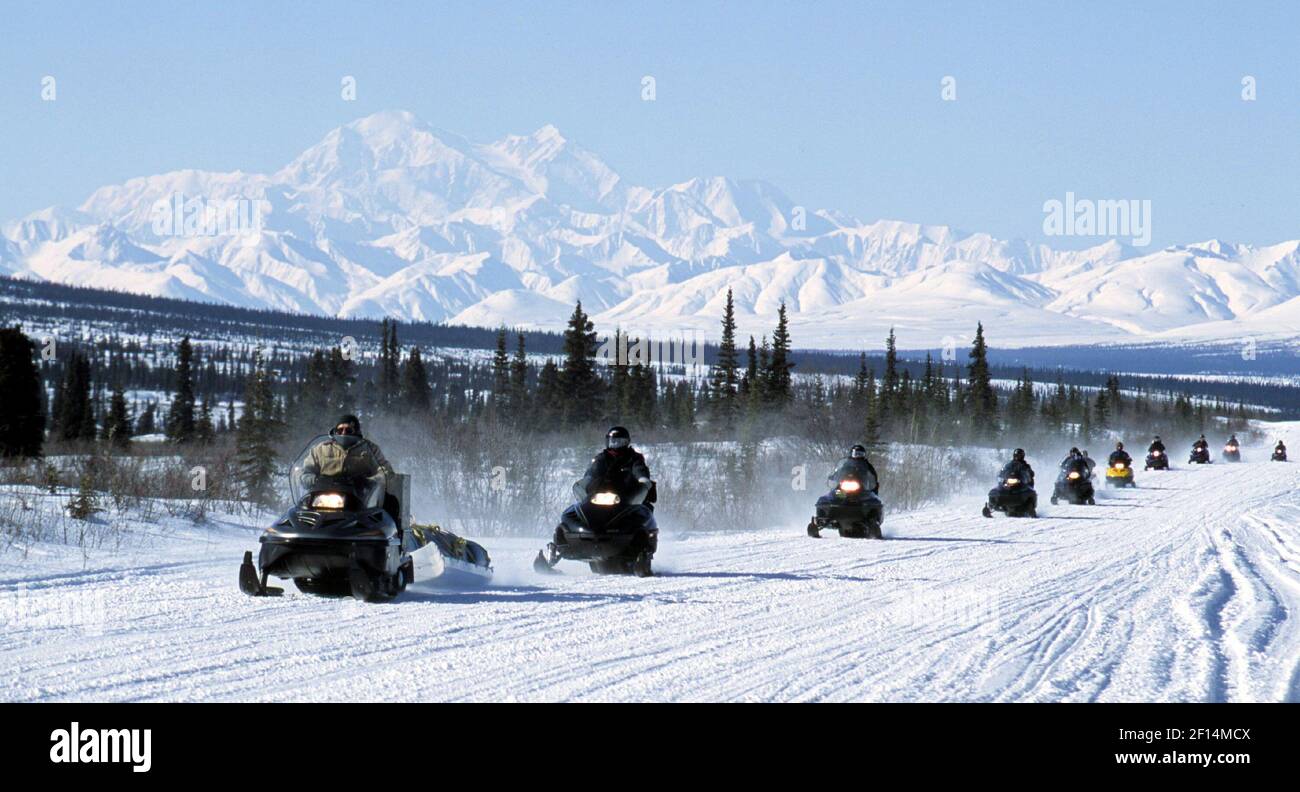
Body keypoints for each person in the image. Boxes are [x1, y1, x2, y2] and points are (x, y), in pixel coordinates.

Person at [574, 426, 655, 506]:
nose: (616, 444)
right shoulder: (601, 458)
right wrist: (586, 481)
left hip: (628, 498)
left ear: (626, 442)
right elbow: (593, 470)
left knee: (645, 507)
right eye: (613, 441)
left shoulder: (634, 457)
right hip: (600, 497)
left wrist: (643, 480)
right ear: (608, 441)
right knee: (574, 511)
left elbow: (639, 469)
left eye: (619, 442)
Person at [303, 414, 395, 483]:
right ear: (335, 431)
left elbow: (385, 471)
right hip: (323, 493)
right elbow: (306, 471)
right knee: (300, 508)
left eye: (348, 430)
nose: (343, 433)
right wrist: (312, 479)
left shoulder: (369, 448)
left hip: (360, 495)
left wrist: (370, 481)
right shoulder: (320, 449)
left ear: (356, 432)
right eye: (340, 430)